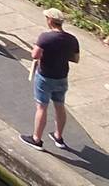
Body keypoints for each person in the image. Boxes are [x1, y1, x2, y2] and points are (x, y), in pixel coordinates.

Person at [23, 9, 80, 151]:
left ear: (49, 20)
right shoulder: (72, 39)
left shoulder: (45, 37)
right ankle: (58, 137)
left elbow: (35, 55)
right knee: (60, 106)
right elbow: (76, 59)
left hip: (45, 77)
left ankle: (36, 139)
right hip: (62, 77)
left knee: (42, 107)